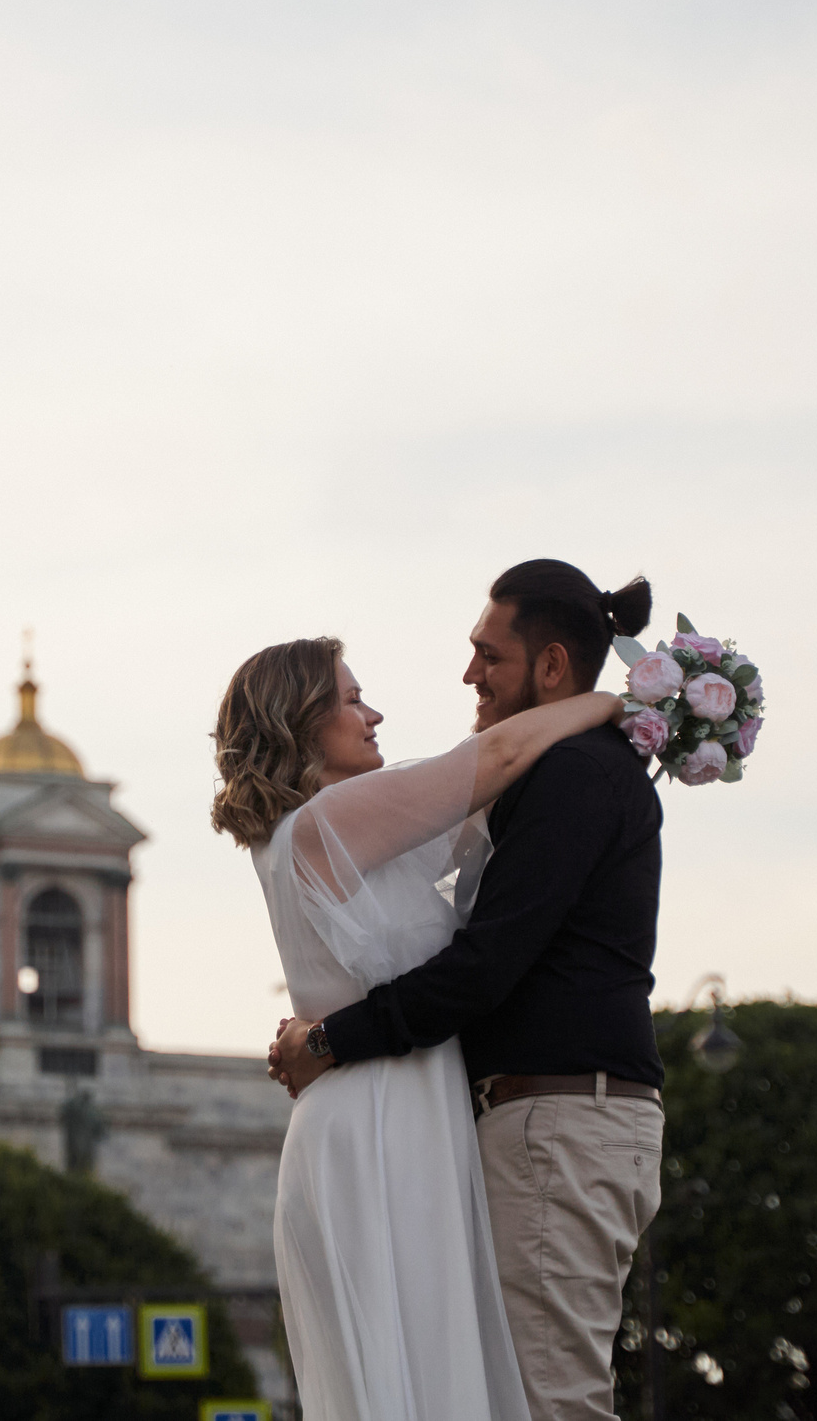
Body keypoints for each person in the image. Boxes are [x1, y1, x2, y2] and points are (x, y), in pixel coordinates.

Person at [270, 560, 663, 1421]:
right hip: (499, 1123)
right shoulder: (341, 828)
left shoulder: (569, 771)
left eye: (489, 654)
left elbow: (481, 968)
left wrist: (329, 1039)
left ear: (552, 666)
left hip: (548, 1121)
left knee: (543, 1399)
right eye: (351, 698)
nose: (468, 675)